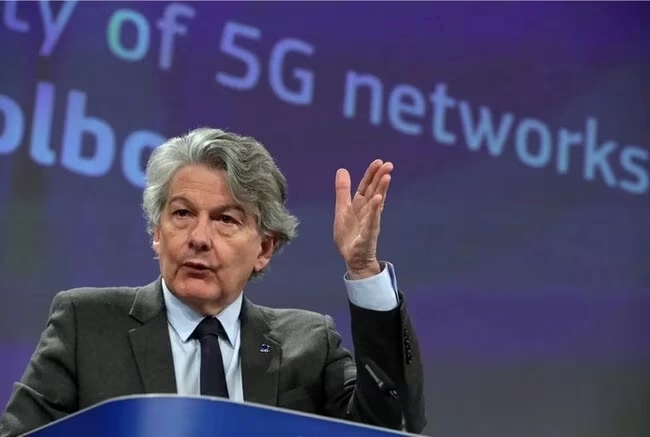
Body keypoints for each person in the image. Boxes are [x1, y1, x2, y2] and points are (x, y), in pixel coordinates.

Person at [0, 128, 425, 436]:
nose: (199, 238)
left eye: (226, 219)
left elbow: (392, 426)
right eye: (183, 213)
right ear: (157, 232)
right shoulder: (86, 324)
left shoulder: (310, 345)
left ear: (264, 248)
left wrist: (364, 270)